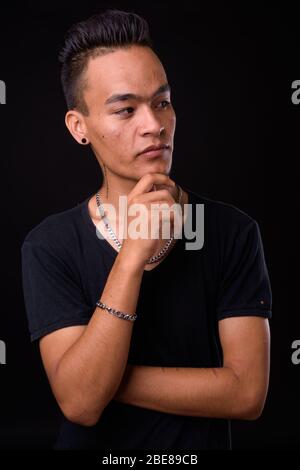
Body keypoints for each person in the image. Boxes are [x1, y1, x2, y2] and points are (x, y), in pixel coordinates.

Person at [21, 9, 272, 450]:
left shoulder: (232, 232)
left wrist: (101, 378)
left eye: (162, 102)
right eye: (125, 110)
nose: (154, 126)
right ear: (79, 128)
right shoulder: (49, 245)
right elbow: (80, 408)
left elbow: (247, 393)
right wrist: (132, 256)